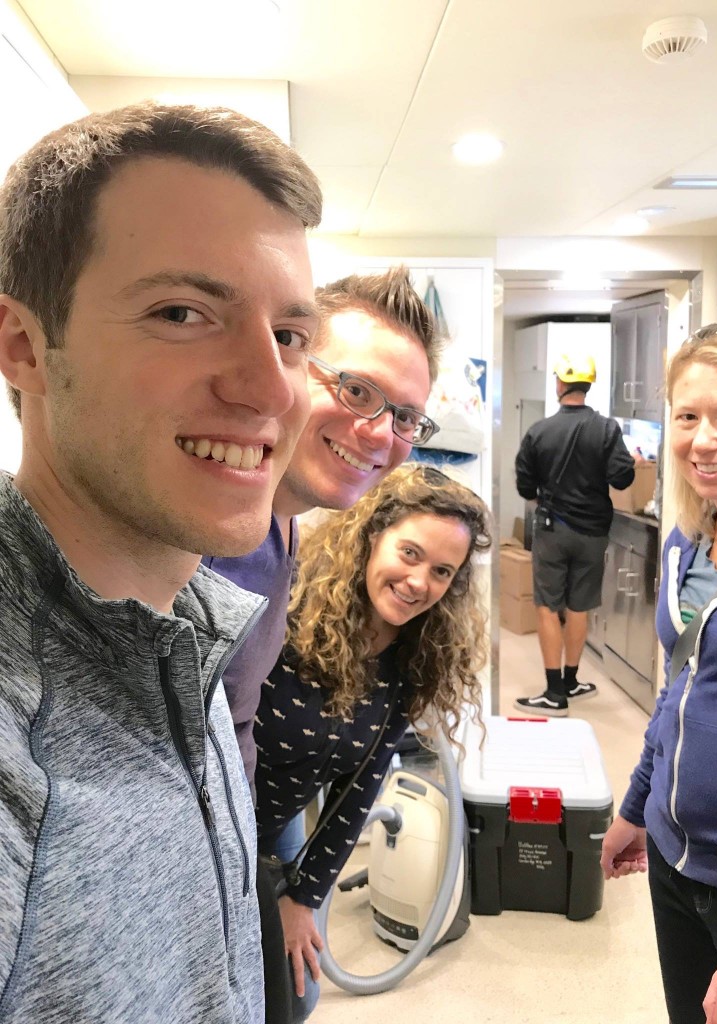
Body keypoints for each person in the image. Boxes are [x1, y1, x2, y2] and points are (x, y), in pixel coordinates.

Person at [0, 102, 322, 1023]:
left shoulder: (188, 631)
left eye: (290, 336)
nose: (270, 388)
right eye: (182, 312)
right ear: (24, 346)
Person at [202, 267, 441, 1023]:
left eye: (406, 416)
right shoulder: (202, 542)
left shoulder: (274, 537)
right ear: (286, 365)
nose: (381, 434)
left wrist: (292, 891)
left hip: (245, 844)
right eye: (358, 392)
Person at [255, 464, 490, 1019]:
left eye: (441, 571)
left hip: (273, 829)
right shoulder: (285, 612)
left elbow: (359, 789)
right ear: (370, 536)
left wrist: (302, 897)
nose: (419, 583)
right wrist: (266, 883)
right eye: (409, 554)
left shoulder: (411, 656)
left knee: (298, 990)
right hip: (214, 826)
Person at [600, 322, 717, 1024]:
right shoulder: (686, 544)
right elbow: (677, 692)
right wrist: (639, 806)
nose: (704, 440)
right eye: (688, 417)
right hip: (675, 863)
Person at [513, 352, 636, 716]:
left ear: (560, 384)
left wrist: (548, 500)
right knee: (579, 605)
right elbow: (623, 478)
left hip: (552, 531)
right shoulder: (607, 428)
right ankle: (571, 681)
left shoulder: (539, 431)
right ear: (588, 384)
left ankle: (554, 693)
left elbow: (524, 486)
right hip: (594, 533)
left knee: (548, 606)